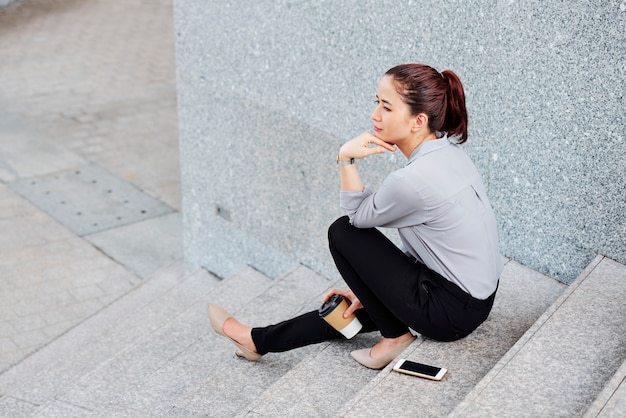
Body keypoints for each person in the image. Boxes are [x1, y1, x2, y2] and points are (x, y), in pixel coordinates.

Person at [209, 63, 503, 369]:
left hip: (450, 312)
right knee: (350, 309)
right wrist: (374, 285)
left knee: (342, 234)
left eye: (386, 107)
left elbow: (356, 220)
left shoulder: (411, 182)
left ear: (418, 120)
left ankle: (395, 338)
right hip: (475, 298)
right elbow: (438, 242)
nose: (375, 115)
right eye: (376, 102)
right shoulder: (450, 153)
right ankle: (257, 339)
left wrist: (346, 158)